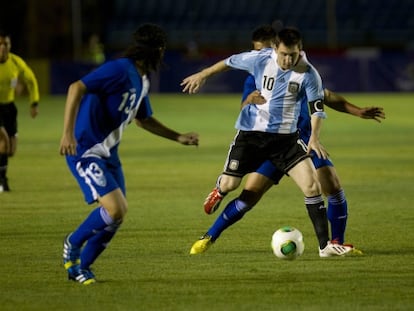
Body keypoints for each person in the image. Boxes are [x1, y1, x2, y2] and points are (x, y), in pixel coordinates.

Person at [192, 25, 385, 255]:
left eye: (292, 54)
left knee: (327, 186)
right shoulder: (258, 67)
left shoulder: (308, 73)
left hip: (295, 141)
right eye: (282, 54)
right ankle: (210, 234)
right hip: (258, 139)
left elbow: (323, 100)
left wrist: (346, 118)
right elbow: (242, 99)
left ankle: (331, 244)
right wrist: (204, 75)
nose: (286, 59)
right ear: (274, 49)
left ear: (299, 50)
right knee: (246, 194)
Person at [60, 23, 199, 285]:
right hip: (86, 150)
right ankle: (73, 245)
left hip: (109, 156)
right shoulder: (119, 69)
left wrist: (178, 137)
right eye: (162, 50)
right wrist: (67, 133)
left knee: (116, 217)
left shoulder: (142, 79)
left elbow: (143, 120)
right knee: (115, 209)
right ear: (157, 50)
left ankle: (81, 268)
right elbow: (75, 88)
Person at [0, 30, 40, 192]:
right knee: (3, 142)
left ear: (10, 45)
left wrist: (34, 103)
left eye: (5, 44)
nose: (2, 47)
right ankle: (2, 181)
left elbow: (31, 80)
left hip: (9, 108)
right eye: (0, 44)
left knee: (10, 150)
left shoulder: (16, 62)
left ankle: (2, 172)